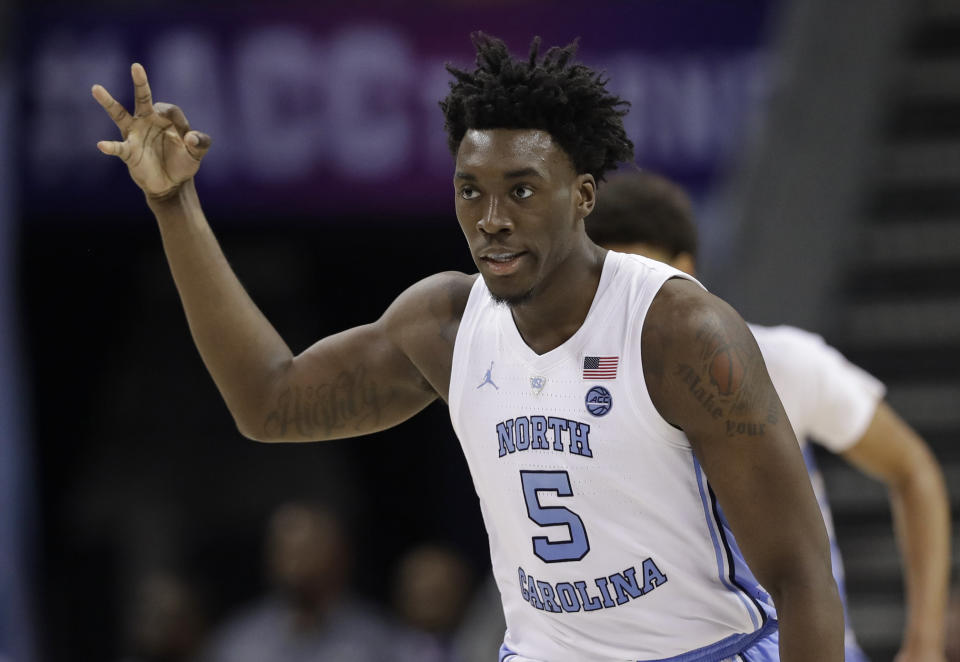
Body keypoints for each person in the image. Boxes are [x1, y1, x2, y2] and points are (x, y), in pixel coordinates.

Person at [91, 35, 844, 661]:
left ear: (582, 196)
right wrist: (173, 204)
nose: (490, 218)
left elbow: (801, 572)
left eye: (520, 190)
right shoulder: (447, 325)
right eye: (469, 190)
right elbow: (268, 401)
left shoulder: (678, 332)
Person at [586, 170, 951, 662]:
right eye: (610, 282)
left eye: (640, 276)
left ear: (684, 269)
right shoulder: (582, 393)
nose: (625, 301)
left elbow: (912, 469)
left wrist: (925, 642)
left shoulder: (780, 361)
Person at [205, 501, 390, 662]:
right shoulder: (238, 639)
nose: (295, 561)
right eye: (284, 549)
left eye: (308, 548)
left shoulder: (378, 639)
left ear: (342, 555)